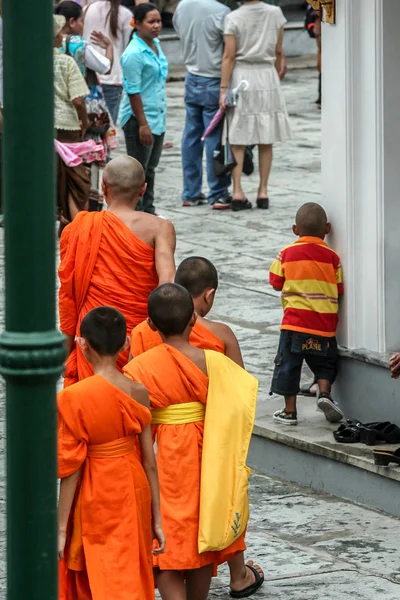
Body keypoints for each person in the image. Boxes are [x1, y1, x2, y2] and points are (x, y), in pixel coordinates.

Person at [130, 257, 265, 599]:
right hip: (208, 452)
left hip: (160, 454)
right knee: (202, 528)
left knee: (166, 533)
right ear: (194, 316)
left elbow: (131, 414)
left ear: (150, 323)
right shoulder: (216, 359)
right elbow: (240, 401)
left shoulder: (138, 365)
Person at [57, 306, 165, 599]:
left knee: (98, 570)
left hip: (94, 489)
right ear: (126, 343)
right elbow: (149, 460)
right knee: (128, 566)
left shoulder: (72, 397)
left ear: (82, 344)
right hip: (132, 486)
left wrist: (60, 527)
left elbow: (71, 467)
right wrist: (157, 518)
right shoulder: (138, 391)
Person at [58, 155, 176, 386]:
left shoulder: (79, 228)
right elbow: (167, 284)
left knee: (92, 407)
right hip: (138, 338)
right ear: (143, 189)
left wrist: (65, 350)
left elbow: (68, 296)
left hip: (93, 342)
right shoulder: (160, 227)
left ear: (103, 187)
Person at [269, 202, 344, 425]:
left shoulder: (286, 254)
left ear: (295, 230)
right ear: (327, 228)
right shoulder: (333, 258)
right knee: (325, 363)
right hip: (324, 325)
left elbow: (275, 282)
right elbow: (339, 289)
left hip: (295, 324)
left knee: (289, 365)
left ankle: (289, 412)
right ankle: (325, 393)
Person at [220, 0, 291, 212]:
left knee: (238, 138)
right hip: (267, 74)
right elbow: (279, 50)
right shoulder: (276, 13)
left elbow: (229, 56)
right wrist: (279, 67)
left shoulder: (233, 17)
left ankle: (238, 191)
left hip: (242, 76)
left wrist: (223, 88)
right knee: (266, 138)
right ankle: (263, 191)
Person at [55, 0, 115, 212]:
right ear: (71, 22)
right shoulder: (77, 46)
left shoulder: (47, 47)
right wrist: (108, 47)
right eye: (81, 21)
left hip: (54, 117)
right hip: (80, 117)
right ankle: (83, 215)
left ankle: (64, 212)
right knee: (83, 172)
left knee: (62, 169)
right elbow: (104, 67)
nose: (82, 25)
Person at [173, 0, 233, 210]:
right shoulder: (221, 11)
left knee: (191, 135)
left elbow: (178, 29)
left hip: (192, 76)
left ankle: (190, 191)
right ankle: (217, 192)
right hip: (214, 78)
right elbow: (229, 48)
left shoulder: (182, 6)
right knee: (214, 138)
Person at [120, 3, 168, 215]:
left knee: (150, 169)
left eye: (158, 21)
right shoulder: (134, 53)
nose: (156, 26)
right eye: (151, 22)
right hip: (139, 119)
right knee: (138, 171)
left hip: (157, 115)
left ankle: (148, 210)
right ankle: (136, 212)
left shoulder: (155, 44)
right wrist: (143, 124)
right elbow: (133, 91)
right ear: (137, 24)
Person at [54, 15, 91, 230]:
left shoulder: (31, 61)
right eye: (59, 32)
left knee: (56, 178)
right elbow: (78, 99)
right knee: (75, 181)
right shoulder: (65, 61)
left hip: (43, 129)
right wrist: (83, 121)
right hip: (67, 128)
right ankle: (73, 225)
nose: (62, 36)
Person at [83, 0, 133, 124]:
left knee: (90, 124)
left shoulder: (87, 10)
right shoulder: (125, 14)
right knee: (108, 127)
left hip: (88, 76)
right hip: (112, 78)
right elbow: (129, 48)